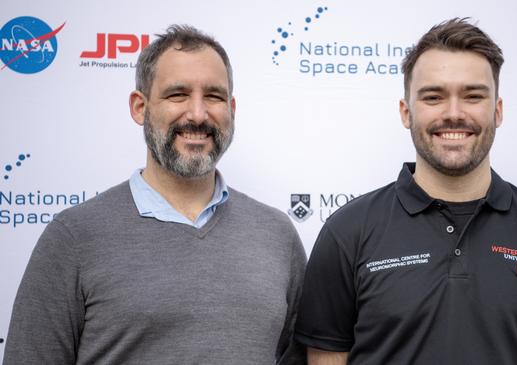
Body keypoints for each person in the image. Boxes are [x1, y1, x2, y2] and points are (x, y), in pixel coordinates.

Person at [295, 18, 517, 365]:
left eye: (473, 96)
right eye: (434, 97)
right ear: (406, 112)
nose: (454, 114)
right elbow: (325, 358)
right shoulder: (347, 232)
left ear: (497, 110)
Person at [3, 25, 306, 365]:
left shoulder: (277, 235)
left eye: (214, 96)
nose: (197, 114)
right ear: (139, 107)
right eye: (177, 94)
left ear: (232, 109)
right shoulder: (74, 238)